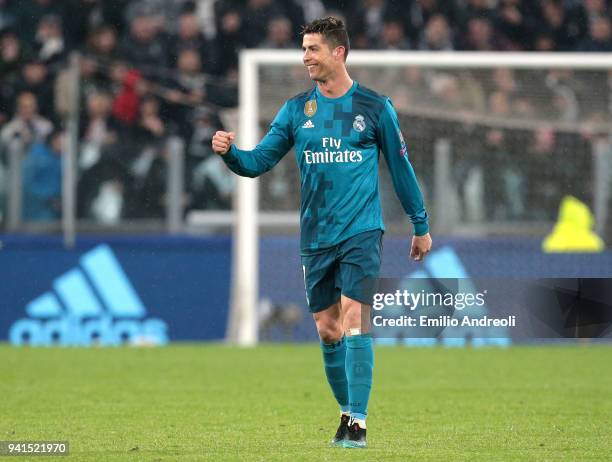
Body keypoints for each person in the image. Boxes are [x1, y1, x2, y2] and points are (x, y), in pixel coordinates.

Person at [211, 16, 432, 449]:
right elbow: (258, 163)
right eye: (304, 48)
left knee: (355, 317)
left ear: (339, 52)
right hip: (316, 237)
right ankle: (347, 414)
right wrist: (231, 154)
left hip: (362, 231)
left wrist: (420, 225)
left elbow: (401, 169)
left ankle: (360, 424)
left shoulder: (374, 106)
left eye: (313, 48)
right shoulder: (297, 111)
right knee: (329, 330)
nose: (306, 56)